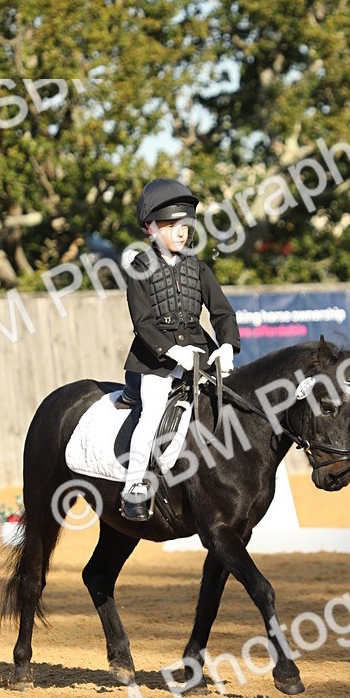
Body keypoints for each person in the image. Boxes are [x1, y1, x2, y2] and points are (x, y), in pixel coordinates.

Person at [119, 178, 241, 522]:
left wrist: (227, 346)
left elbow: (222, 312)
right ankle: (135, 486)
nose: (181, 233)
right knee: (153, 410)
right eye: (171, 226)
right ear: (150, 229)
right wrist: (173, 352)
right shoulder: (140, 270)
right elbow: (143, 323)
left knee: (229, 404)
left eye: (184, 226)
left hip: (200, 352)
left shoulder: (198, 268)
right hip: (154, 359)